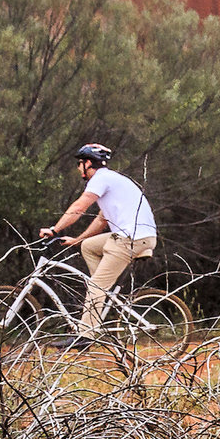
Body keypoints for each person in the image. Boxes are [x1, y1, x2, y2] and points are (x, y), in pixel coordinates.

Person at [40, 143, 159, 345]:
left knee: (95, 287)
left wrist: (55, 229)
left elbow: (79, 207)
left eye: (80, 163)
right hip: (137, 236)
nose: (78, 168)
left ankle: (85, 335)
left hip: (129, 238)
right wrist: (77, 240)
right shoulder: (113, 180)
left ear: (88, 163)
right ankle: (101, 297)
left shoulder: (101, 178)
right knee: (88, 247)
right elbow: (101, 220)